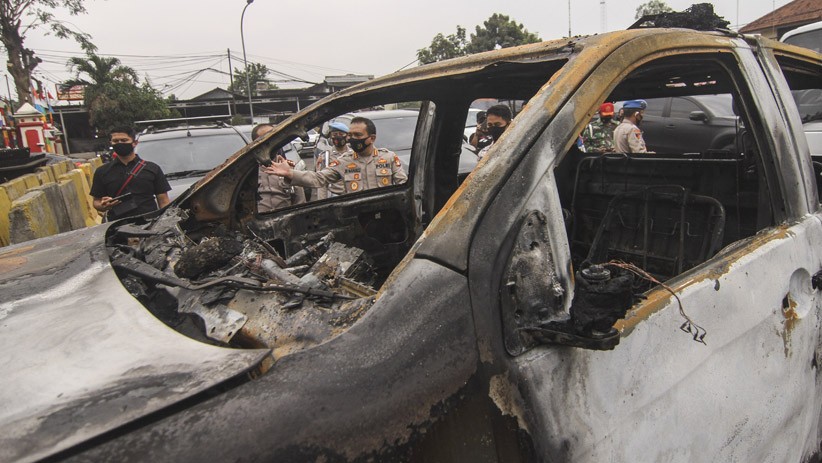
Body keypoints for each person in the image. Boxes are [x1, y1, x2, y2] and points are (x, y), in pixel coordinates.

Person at [264, 116, 407, 194]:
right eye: (350, 135)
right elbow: (318, 179)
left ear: (372, 138)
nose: (352, 138)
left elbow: (404, 185)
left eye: (358, 135)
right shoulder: (343, 162)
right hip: (356, 218)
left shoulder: (388, 158)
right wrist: (290, 173)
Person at [90, 126, 171, 221]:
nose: (120, 143)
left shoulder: (153, 169)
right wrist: (103, 205)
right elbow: (96, 201)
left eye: (124, 140)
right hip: (117, 227)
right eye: (116, 141)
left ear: (134, 143)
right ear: (111, 143)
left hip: (149, 225)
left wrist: (165, 222)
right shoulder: (102, 171)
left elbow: (163, 201)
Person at [253, 123, 306, 212]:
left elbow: (300, 201)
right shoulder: (247, 171)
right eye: (267, 139)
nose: (273, 143)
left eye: (275, 138)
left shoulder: (288, 167)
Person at [314, 121, 351, 199]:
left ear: (347, 136)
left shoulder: (354, 154)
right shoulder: (325, 156)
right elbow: (321, 183)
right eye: (334, 134)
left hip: (352, 195)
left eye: (341, 134)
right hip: (334, 197)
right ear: (331, 137)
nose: (338, 137)